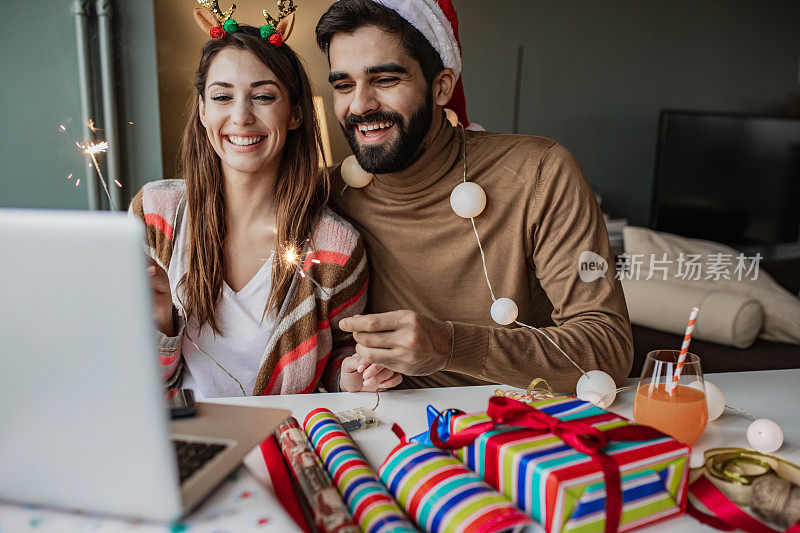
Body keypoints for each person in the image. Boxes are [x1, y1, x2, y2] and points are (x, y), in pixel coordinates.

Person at [314, 0, 634, 392]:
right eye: (343, 85)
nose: (359, 105)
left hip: (521, 427)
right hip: (388, 432)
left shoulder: (539, 172)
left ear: (441, 86)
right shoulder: (327, 195)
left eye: (385, 79)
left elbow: (608, 348)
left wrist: (450, 345)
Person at [129, 18, 402, 397]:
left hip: (283, 441)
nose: (241, 116)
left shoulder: (335, 249)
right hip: (181, 440)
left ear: (294, 113)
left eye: (263, 96)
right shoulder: (156, 214)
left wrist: (351, 376)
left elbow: (339, 357)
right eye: (223, 97)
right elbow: (130, 381)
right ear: (203, 110)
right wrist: (159, 319)